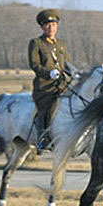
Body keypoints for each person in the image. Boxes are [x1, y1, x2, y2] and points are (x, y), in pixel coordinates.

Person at [28, 9, 72, 152]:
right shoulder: (36, 43)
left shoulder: (61, 44)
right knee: (45, 109)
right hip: (45, 87)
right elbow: (34, 64)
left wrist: (74, 74)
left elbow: (67, 63)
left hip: (62, 86)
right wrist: (49, 73)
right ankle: (42, 139)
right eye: (47, 25)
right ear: (42, 27)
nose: (51, 28)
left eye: (53, 24)